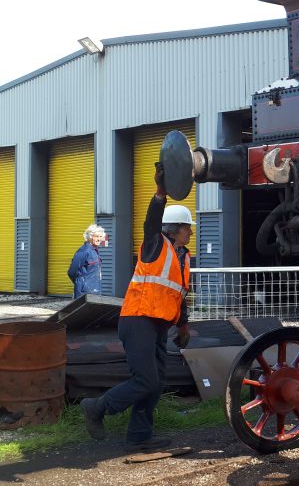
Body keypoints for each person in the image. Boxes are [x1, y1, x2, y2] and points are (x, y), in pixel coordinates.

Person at [81, 163, 193, 451]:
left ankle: (140, 436)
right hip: (138, 319)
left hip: (158, 325)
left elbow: (180, 295)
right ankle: (96, 407)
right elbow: (151, 222)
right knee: (144, 380)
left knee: (155, 384)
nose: (190, 233)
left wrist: (183, 325)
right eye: (187, 228)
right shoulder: (156, 244)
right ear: (176, 229)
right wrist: (160, 192)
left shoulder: (183, 257)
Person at [68, 224, 105, 299]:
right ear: (90, 237)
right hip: (84, 292)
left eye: (101, 237)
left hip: (95, 290)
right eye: (96, 236)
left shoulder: (95, 251)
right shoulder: (84, 251)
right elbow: (71, 272)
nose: (99, 239)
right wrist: (81, 283)